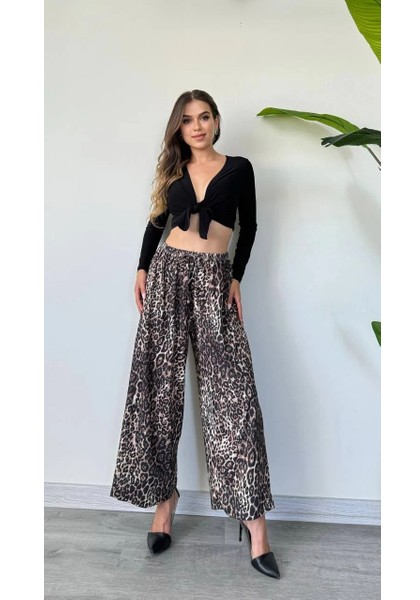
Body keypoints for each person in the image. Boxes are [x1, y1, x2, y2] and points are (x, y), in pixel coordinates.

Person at [110, 89, 280, 580]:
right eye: (188, 120)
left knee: (234, 399)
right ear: (179, 128)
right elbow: (156, 222)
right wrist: (143, 267)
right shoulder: (172, 169)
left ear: (217, 121)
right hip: (167, 274)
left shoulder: (239, 168)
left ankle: (255, 524)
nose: (198, 126)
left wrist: (235, 277)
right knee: (158, 392)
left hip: (213, 280)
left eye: (205, 117)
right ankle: (164, 501)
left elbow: (250, 227)